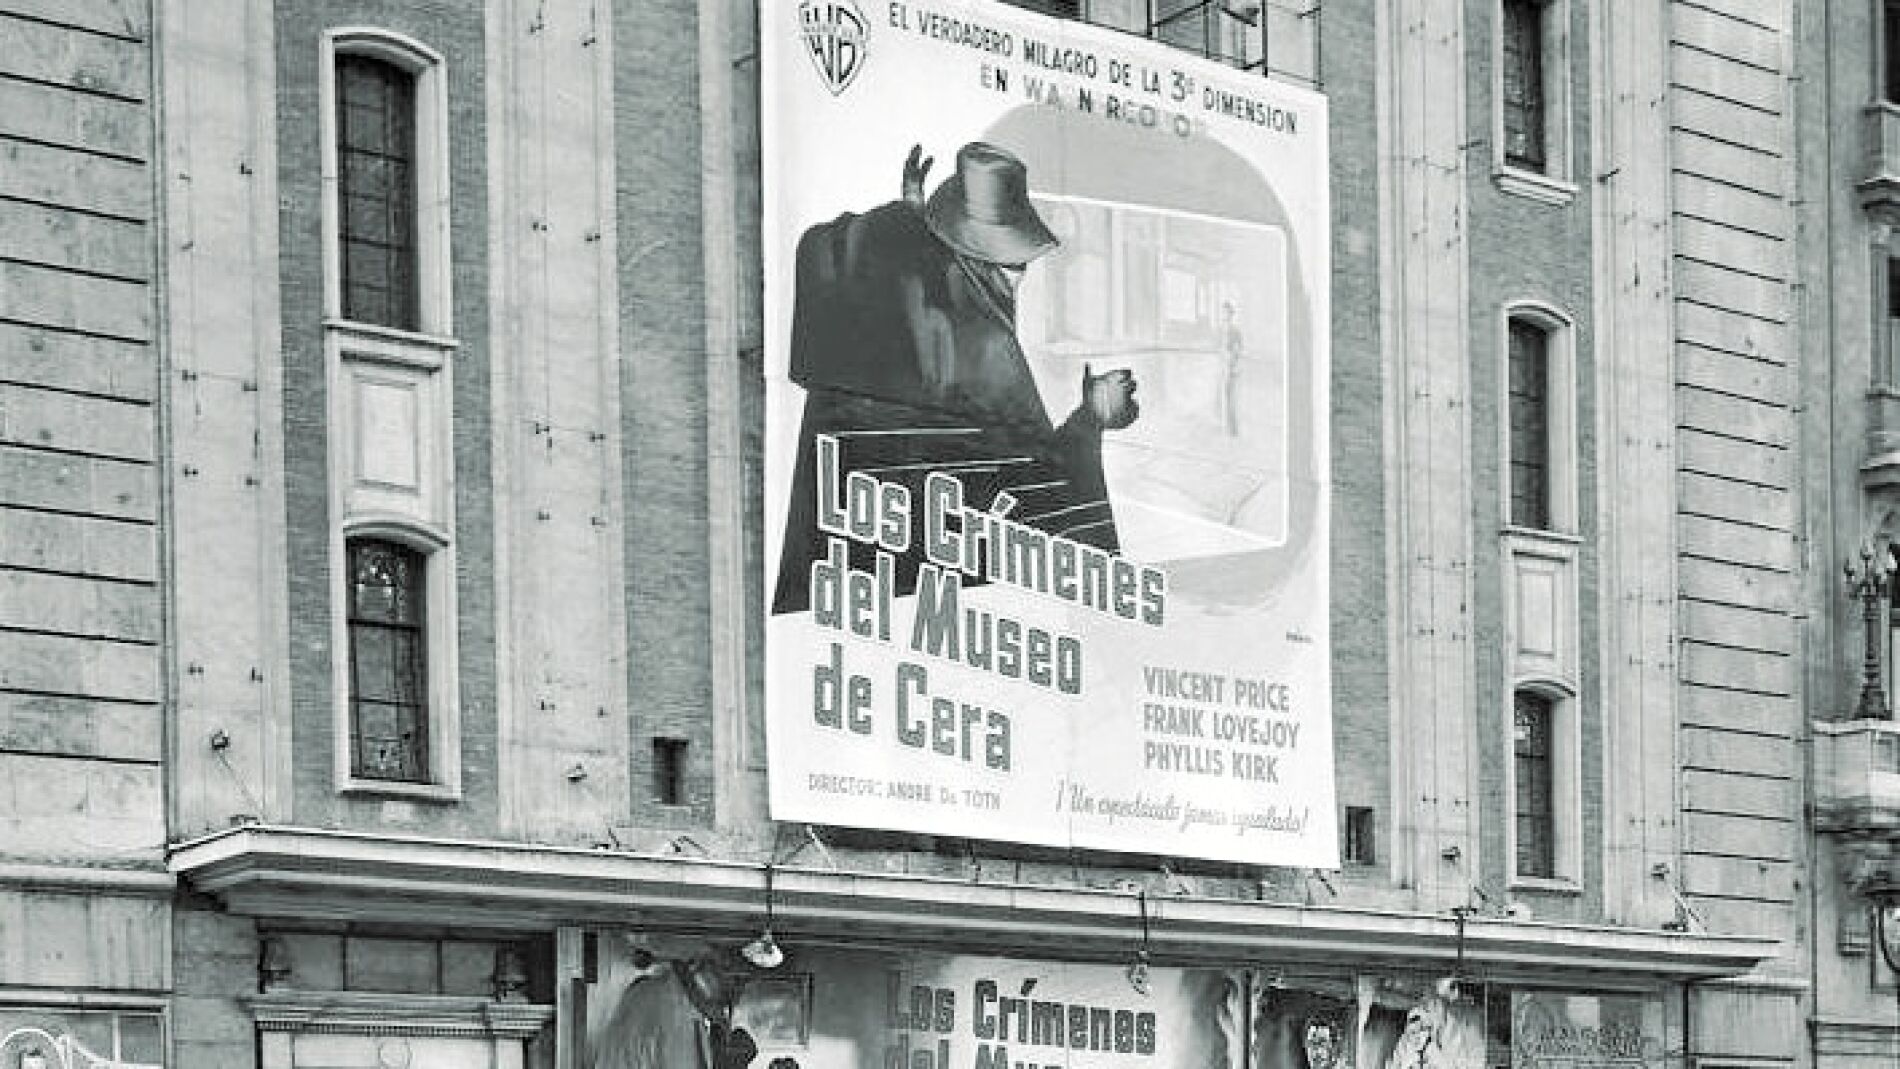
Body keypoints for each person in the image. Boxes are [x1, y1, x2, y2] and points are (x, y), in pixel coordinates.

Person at [773, 141, 1139, 614]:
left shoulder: (862, 299)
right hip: (942, 614)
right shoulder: (983, 353)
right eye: (1012, 267)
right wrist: (1091, 419)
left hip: (834, 610)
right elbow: (1049, 511)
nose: (1018, 281)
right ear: (979, 261)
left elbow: (838, 246)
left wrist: (906, 222)